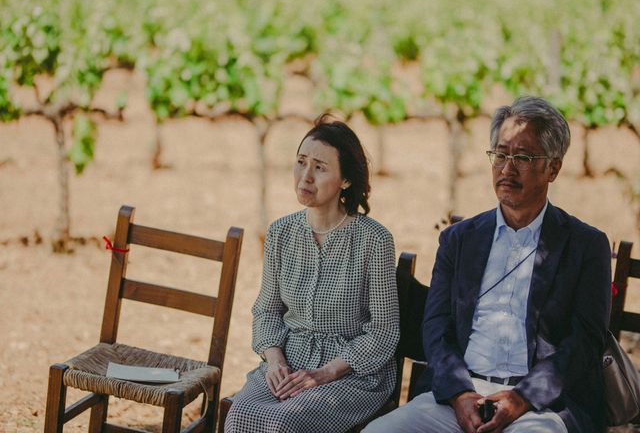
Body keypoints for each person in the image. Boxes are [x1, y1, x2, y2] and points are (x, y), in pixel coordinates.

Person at [364, 96, 611, 433]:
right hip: (459, 398)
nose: (507, 168)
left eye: (523, 156)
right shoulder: (459, 240)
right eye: (500, 154)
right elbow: (436, 326)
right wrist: (459, 393)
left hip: (539, 406)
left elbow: (584, 343)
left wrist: (521, 398)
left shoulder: (584, 245)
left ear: (553, 167)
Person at [225, 115, 400, 433]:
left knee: (282, 422)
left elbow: (383, 332)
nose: (305, 176)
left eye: (319, 167)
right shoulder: (280, 233)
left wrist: (326, 373)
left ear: (345, 180)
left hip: (351, 372)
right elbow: (266, 311)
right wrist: (275, 360)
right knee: (239, 416)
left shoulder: (374, 241)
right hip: (288, 360)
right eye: (301, 162)